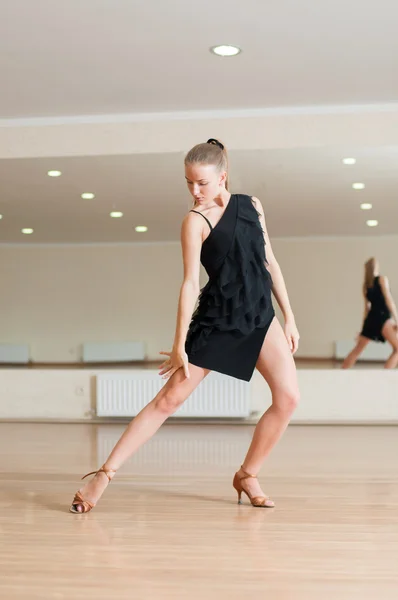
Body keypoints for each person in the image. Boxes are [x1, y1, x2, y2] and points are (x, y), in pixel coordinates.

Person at [70, 138, 300, 513]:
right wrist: (179, 345)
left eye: (202, 183)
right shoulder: (194, 221)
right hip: (217, 319)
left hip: (260, 315)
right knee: (169, 400)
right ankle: (103, 475)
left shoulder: (252, 206)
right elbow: (190, 283)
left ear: (222, 177)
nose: (194, 191)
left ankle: (247, 474)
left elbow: (269, 262)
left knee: (289, 398)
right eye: (188, 183)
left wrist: (289, 316)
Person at [342, 257, 398, 369]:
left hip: (371, 319)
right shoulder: (382, 279)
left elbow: (367, 309)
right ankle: (385, 374)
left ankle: (342, 371)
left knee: (357, 349)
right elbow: (388, 300)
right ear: (376, 266)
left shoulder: (366, 286)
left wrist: (363, 328)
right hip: (383, 318)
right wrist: (397, 319)